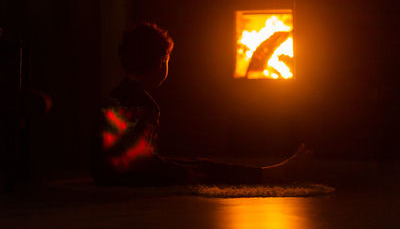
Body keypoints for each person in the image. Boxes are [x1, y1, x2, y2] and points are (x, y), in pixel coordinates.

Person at [91, 23, 313, 186]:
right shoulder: (145, 106)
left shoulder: (115, 96)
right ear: (160, 65)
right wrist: (180, 175)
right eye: (168, 61)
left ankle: (271, 172)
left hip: (106, 173)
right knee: (202, 169)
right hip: (126, 177)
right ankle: (271, 175)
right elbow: (139, 162)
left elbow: (123, 155)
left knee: (196, 163)